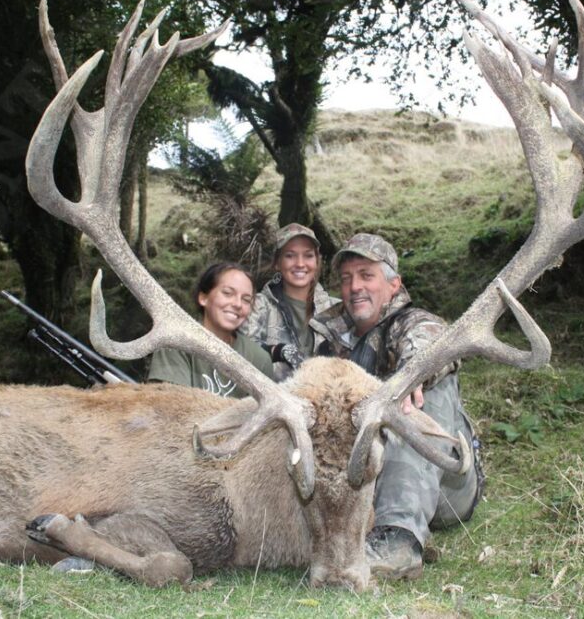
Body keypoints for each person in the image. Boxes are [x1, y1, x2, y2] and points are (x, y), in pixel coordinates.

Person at [310, 233, 484, 580]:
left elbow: (432, 344)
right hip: (371, 487)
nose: (354, 286)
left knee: (420, 396)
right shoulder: (327, 343)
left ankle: (398, 540)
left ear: (394, 284)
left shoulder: (414, 322)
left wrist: (413, 374)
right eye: (346, 279)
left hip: (446, 488)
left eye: (366, 275)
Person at [147, 262, 274, 397]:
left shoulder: (259, 359)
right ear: (203, 298)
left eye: (246, 300)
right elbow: (171, 408)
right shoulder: (176, 343)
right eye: (227, 293)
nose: (238, 304)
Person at [239, 223, 338, 380]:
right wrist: (279, 351)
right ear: (277, 263)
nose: (300, 263)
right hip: (274, 400)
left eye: (308, 255)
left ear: (317, 262)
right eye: (290, 255)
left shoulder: (336, 309)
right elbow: (243, 353)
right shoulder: (257, 306)